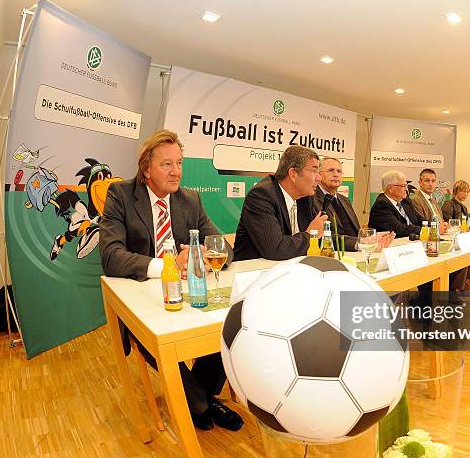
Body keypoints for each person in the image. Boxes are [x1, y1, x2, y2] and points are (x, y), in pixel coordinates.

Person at [100, 130, 242, 432]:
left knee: (229, 321)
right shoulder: (121, 196)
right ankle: (204, 402)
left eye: (179, 162)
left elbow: (225, 248)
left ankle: (200, 398)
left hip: (189, 298)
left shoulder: (189, 199)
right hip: (144, 302)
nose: (176, 171)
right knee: (160, 338)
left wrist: (207, 252)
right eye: (166, 164)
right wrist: (167, 265)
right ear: (146, 169)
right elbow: (111, 257)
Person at [368, 170, 466, 302]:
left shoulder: (405, 202)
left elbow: (420, 220)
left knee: (449, 258)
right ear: (391, 188)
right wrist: (432, 230)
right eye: (403, 186)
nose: (406, 189)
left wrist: (435, 227)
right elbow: (400, 229)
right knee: (430, 266)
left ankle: (435, 298)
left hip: (412, 246)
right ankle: (427, 302)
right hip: (391, 254)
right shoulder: (381, 205)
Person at [233, 146, 328, 261]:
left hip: (290, 268)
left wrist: (354, 244)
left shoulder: (305, 197)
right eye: (314, 171)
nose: (319, 178)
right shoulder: (261, 195)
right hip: (253, 272)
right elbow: (276, 249)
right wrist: (311, 236)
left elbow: (322, 236)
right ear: (293, 174)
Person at [313, 157, 394, 251]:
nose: (336, 174)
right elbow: (321, 235)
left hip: (357, 252)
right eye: (331, 171)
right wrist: (359, 243)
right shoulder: (311, 199)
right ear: (319, 174)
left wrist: (370, 239)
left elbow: (355, 231)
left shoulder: (344, 199)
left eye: (339, 171)